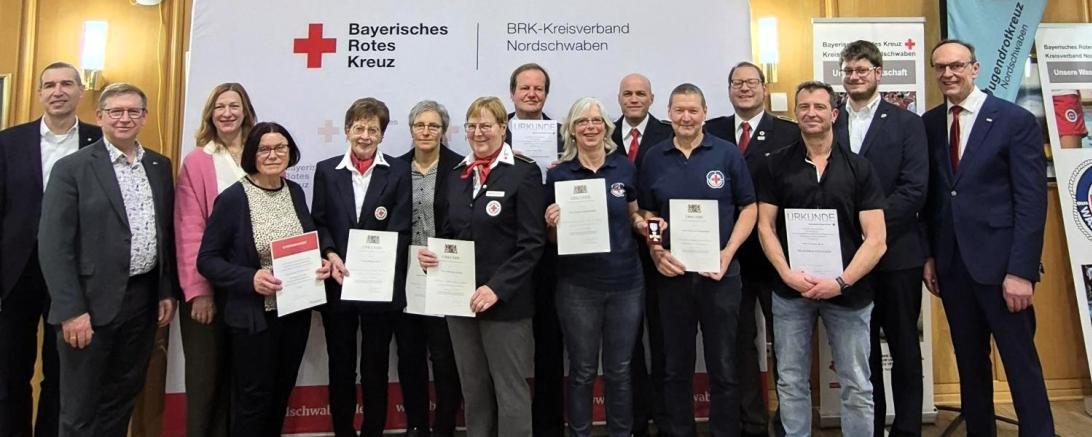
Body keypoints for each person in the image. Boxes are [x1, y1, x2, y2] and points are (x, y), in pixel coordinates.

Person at [922, 39, 1054, 436]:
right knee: (970, 365)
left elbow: (1031, 202)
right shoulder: (929, 124)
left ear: (975, 68)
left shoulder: (1013, 120)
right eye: (940, 67)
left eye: (956, 66)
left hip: (1002, 270)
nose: (948, 74)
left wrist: (1021, 271)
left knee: (1020, 364)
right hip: (953, 268)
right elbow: (931, 199)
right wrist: (930, 257)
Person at [38, 83, 177, 437]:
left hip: (142, 302)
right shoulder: (72, 168)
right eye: (116, 111)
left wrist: (164, 290)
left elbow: (164, 232)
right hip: (89, 304)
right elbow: (55, 246)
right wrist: (71, 310)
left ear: (145, 117)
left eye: (133, 111)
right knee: (80, 408)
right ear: (99, 116)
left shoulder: (160, 165)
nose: (124, 118)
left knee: (121, 398)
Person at [755, 81, 887, 437]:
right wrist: (785, 274)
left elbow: (877, 240)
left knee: (857, 384)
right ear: (795, 113)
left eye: (818, 106)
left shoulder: (860, 168)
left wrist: (840, 282)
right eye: (803, 107)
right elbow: (765, 227)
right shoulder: (775, 165)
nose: (810, 113)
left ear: (834, 113)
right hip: (790, 293)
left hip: (848, 293)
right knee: (791, 381)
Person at [418, 96, 545, 437]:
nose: (478, 132)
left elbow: (532, 243)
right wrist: (432, 255)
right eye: (472, 126)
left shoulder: (524, 173)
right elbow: (449, 232)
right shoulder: (458, 174)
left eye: (486, 125)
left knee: (510, 391)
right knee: (473, 388)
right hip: (460, 302)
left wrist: (496, 288)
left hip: (505, 304)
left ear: (503, 128)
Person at [197, 121, 331, 437]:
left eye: (280, 148)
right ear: (252, 155)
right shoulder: (233, 199)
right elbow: (207, 260)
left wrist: (320, 263)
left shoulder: (294, 191)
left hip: (293, 315)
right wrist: (249, 277)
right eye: (264, 149)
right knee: (252, 402)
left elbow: (306, 241)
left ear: (290, 152)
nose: (273, 155)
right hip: (253, 320)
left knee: (280, 396)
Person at [637, 83, 757, 437]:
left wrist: (727, 253)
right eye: (679, 110)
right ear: (669, 114)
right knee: (675, 366)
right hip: (672, 276)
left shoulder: (727, 154)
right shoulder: (654, 157)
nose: (686, 117)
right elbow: (646, 211)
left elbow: (749, 207)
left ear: (704, 112)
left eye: (693, 110)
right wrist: (656, 249)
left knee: (723, 365)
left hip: (720, 275)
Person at [831, 40, 928, 437]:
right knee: (861, 353)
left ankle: (906, 430)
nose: (855, 77)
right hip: (845, 257)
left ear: (878, 73)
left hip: (896, 254)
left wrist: (870, 227)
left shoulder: (907, 123)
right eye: (849, 71)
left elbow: (914, 188)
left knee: (904, 346)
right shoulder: (830, 121)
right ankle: (867, 428)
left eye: (862, 70)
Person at [0, 61, 100, 437]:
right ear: (40, 93)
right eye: (49, 85)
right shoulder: (8, 142)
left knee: (61, 374)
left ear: (80, 91)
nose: (57, 91)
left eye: (66, 84)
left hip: (75, 274)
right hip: (16, 273)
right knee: (10, 373)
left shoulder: (98, 140)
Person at [705, 61, 800, 437]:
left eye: (751, 82)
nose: (744, 88)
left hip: (777, 257)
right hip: (727, 257)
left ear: (763, 87)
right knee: (739, 343)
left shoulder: (790, 133)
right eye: (736, 83)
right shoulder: (711, 131)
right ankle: (752, 422)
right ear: (728, 89)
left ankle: (789, 421)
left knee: (787, 345)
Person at [311, 97, 412, 437]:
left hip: (378, 287)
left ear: (382, 135)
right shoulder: (326, 171)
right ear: (346, 130)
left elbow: (401, 227)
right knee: (341, 365)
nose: (365, 136)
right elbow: (319, 221)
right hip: (338, 283)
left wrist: (378, 268)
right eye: (359, 128)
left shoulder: (398, 171)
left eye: (373, 129)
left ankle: (372, 431)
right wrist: (329, 252)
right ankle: (343, 430)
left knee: (375, 366)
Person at [544, 97, 644, 437]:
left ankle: (620, 433)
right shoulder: (558, 174)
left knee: (620, 369)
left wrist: (643, 224)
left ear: (606, 128)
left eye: (596, 121)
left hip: (626, 284)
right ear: (572, 130)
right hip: (578, 288)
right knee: (583, 370)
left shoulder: (624, 167)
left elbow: (633, 214)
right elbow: (554, 242)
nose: (590, 126)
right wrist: (552, 224)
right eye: (582, 121)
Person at [173, 82, 257, 437]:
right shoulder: (198, 160)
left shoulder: (261, 154)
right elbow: (189, 230)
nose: (227, 112)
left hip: (250, 289)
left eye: (234, 106)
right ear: (210, 113)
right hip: (209, 288)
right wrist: (200, 291)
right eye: (219, 106)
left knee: (242, 380)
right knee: (206, 383)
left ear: (245, 112)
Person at [502, 62, 564, 436]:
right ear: (512, 93)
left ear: (546, 93)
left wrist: (560, 171)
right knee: (505, 349)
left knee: (549, 342)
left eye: (538, 88)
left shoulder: (564, 135)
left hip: (552, 254)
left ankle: (547, 426)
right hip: (508, 254)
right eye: (524, 88)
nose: (531, 94)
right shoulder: (493, 131)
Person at [395, 100, 464, 437]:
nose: (426, 131)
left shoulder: (458, 168)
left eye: (433, 126)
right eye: (420, 125)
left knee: (445, 357)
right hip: (405, 274)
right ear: (410, 130)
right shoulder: (395, 168)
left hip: (445, 271)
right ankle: (417, 425)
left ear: (444, 131)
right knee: (409, 355)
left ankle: (445, 426)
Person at [611, 72, 673, 437]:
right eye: (627, 94)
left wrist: (654, 244)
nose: (633, 99)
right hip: (617, 256)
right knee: (628, 346)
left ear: (651, 99)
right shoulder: (603, 135)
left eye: (640, 94)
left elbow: (651, 206)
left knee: (663, 341)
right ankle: (634, 420)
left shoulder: (668, 136)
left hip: (659, 251)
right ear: (619, 99)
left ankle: (665, 419)